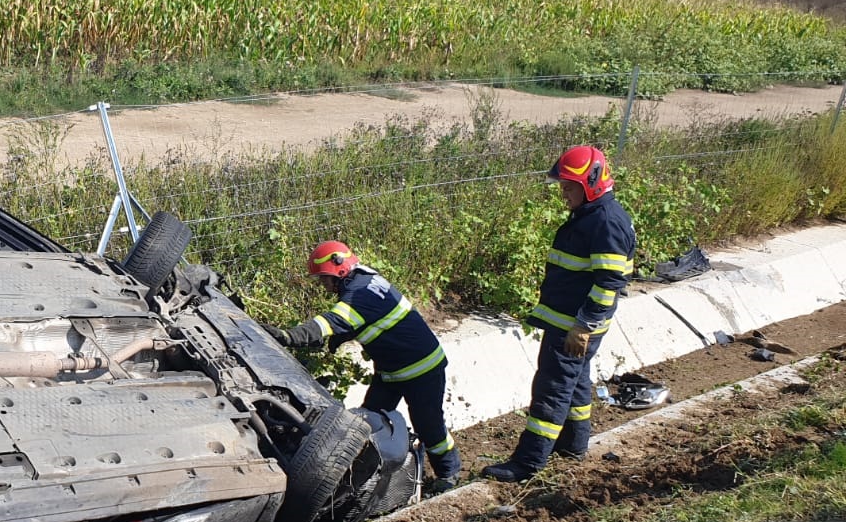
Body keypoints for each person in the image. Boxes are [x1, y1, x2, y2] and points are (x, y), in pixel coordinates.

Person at [482, 144, 636, 482]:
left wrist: (583, 326)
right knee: (576, 381)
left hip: (575, 325)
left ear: (591, 183)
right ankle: (572, 446)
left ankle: (528, 462)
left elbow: (609, 282)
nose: (563, 194)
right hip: (571, 322)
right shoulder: (595, 215)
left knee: (552, 388)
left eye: (569, 188)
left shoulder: (605, 222)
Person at [267, 241, 461, 492]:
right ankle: (366, 478)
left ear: (338, 271)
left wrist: (287, 336)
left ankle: (449, 473)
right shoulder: (366, 278)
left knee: (429, 424)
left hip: (421, 369)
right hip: (392, 370)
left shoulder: (359, 294)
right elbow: (367, 319)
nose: (323, 286)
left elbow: (328, 322)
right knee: (370, 418)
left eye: (324, 279)